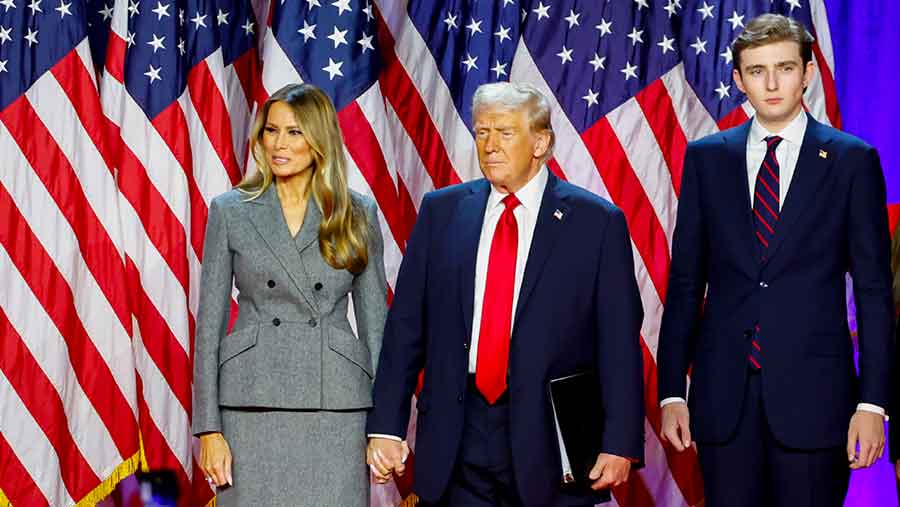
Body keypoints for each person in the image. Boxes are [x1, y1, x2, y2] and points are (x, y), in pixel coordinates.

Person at [365, 82, 645, 507]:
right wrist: (386, 425)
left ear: (541, 141)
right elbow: (406, 328)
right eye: (482, 132)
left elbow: (618, 343)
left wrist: (620, 440)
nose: (490, 145)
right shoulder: (442, 212)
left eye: (505, 133)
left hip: (551, 436)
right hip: (458, 431)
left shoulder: (596, 222)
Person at [657, 14, 894, 507]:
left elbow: (872, 291)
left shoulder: (853, 161)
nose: (770, 83)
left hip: (816, 401)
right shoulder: (706, 158)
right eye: (757, 70)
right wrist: (671, 391)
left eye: (784, 68)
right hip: (724, 402)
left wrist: (873, 402)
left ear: (807, 73)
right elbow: (685, 284)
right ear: (739, 78)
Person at [192, 83, 388, 507]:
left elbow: (377, 328)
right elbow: (208, 325)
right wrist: (208, 428)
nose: (279, 144)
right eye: (271, 130)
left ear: (319, 140)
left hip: (335, 405)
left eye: (294, 132)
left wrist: (383, 426)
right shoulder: (231, 210)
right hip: (250, 402)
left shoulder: (357, 213)